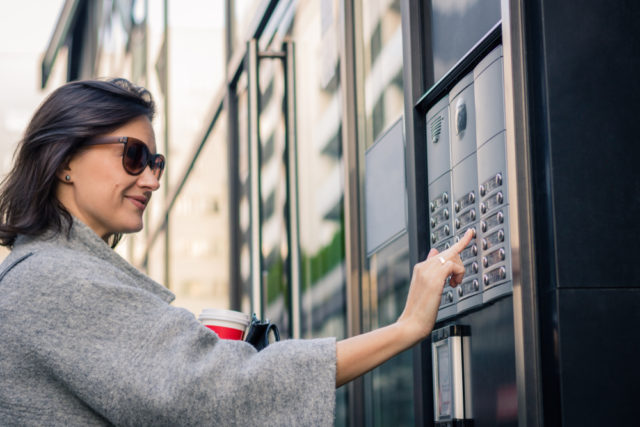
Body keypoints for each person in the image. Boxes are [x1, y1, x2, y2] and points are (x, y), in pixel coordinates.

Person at [0, 78, 472, 426]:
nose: (153, 179)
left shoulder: (46, 271)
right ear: (64, 162)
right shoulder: (57, 279)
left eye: (156, 162)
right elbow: (219, 391)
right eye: (134, 156)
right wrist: (407, 326)